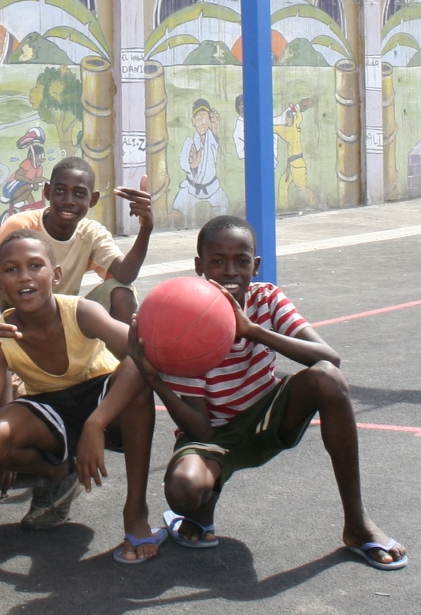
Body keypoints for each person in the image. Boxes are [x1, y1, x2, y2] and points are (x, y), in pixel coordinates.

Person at [129, 214, 405, 569]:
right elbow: (202, 430)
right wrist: (154, 380)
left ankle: (357, 524)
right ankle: (201, 509)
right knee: (183, 491)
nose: (230, 271)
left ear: (255, 266)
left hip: (268, 415)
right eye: (217, 262)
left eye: (241, 261)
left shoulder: (267, 299)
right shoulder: (184, 319)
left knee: (327, 379)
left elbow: (329, 357)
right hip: (215, 435)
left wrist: (253, 331)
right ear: (199, 266)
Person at [0, 229, 159, 560]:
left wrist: (96, 424)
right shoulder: (1, 335)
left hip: (103, 395)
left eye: (35, 265)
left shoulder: (80, 312)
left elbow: (142, 353)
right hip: (51, 407)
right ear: (0, 284)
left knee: (138, 386)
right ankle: (58, 472)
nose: (24, 276)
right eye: (11, 269)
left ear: (56, 274)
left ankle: (135, 511)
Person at [0, 157, 152, 323]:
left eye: (79, 194)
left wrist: (146, 228)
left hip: (63, 320)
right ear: (47, 192)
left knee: (121, 292)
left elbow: (124, 274)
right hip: (18, 319)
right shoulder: (21, 226)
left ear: (93, 199)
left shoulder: (91, 233)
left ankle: (117, 343)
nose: (69, 201)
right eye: (60, 191)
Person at [175, 97, 227, 217]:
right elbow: (183, 163)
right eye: (198, 118)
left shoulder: (212, 139)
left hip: (212, 188)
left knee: (223, 209)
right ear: (193, 121)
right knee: (177, 212)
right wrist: (193, 166)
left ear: (209, 120)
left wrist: (215, 125)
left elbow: (214, 134)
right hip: (191, 189)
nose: (202, 122)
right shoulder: (189, 142)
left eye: (205, 118)